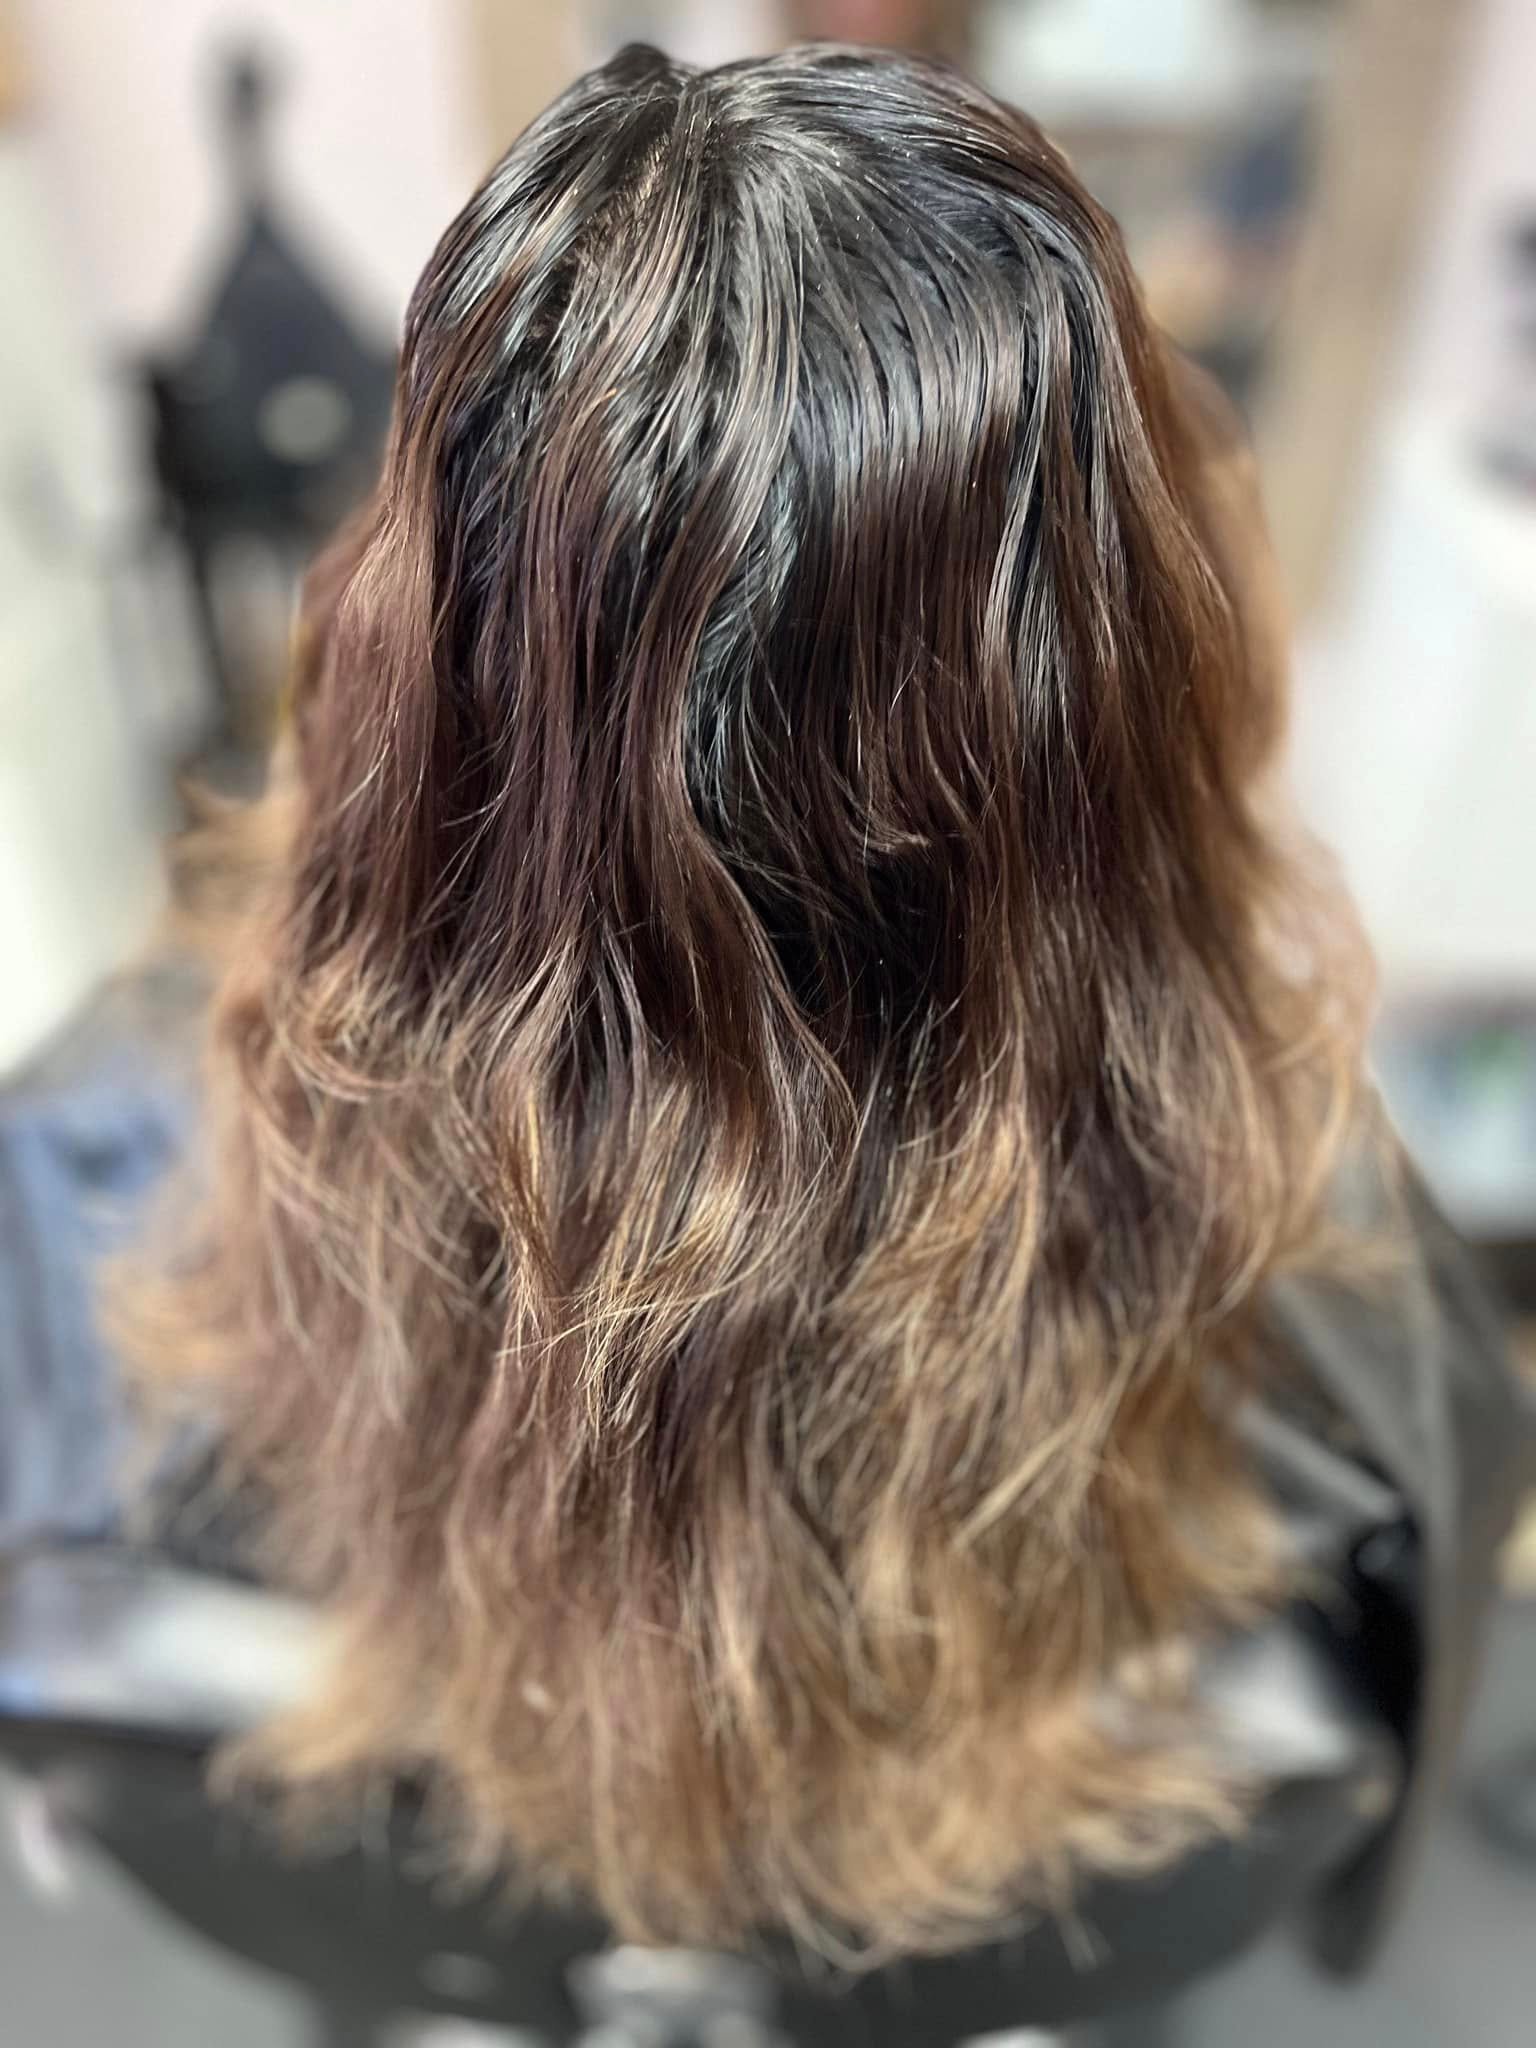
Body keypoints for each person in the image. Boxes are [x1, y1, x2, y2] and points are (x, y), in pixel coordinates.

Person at [114, 42, 1534, 1978]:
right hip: (1012, 1908)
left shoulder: (118, 1167)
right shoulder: (1325, 1267)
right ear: (1113, 676)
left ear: (429, 644)